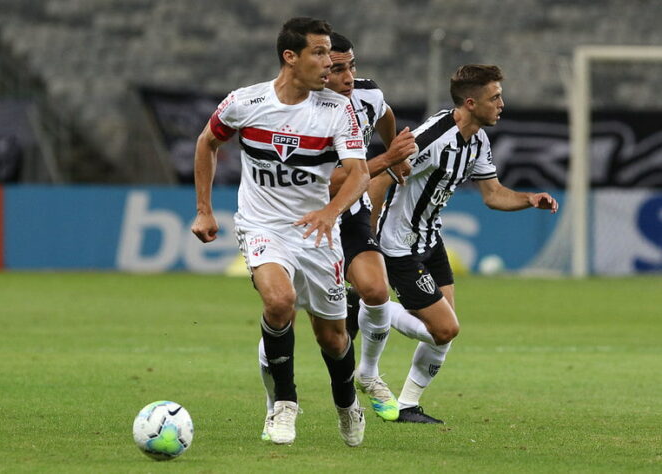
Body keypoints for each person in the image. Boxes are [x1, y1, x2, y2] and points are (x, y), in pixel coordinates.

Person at [191, 17, 370, 447]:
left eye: (330, 53)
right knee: (279, 300)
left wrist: (330, 212)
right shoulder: (244, 102)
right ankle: (284, 405)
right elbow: (207, 142)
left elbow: (359, 173)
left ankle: (346, 402)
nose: (330, 63)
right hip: (262, 224)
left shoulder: (336, 109)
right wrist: (204, 211)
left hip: (316, 232)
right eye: (320, 53)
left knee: (333, 336)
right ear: (290, 57)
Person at [372, 64, 559, 423]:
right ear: (471, 103)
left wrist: (529, 198)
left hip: (431, 238)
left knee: (445, 330)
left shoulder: (478, 141)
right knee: (445, 329)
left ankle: (407, 406)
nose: (501, 103)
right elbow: (380, 176)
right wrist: (369, 238)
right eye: (495, 97)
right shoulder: (431, 138)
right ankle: (369, 308)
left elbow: (493, 195)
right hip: (398, 244)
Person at [257, 32, 415, 424]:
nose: (347, 76)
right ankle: (275, 402)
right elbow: (326, 183)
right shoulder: (302, 111)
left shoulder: (368, 96)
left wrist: (390, 145)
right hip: (304, 220)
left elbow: (385, 116)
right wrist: (386, 160)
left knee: (376, 291)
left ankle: (369, 373)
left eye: (351, 66)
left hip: (350, 214)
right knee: (283, 313)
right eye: (338, 68)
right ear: (320, 71)